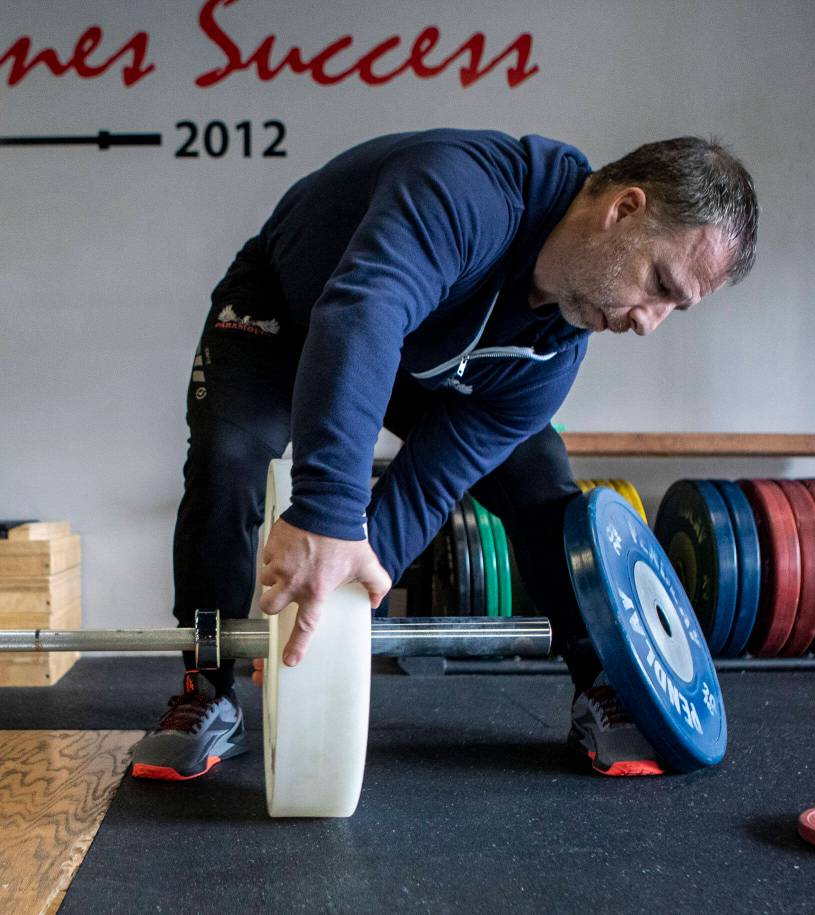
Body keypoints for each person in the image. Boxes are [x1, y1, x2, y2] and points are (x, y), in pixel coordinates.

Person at [129, 128, 758, 782]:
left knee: (541, 483)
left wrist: (334, 611)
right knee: (226, 457)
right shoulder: (468, 190)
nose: (647, 322)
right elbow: (362, 312)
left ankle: (601, 680)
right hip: (286, 311)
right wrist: (324, 513)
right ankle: (205, 686)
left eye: (673, 308)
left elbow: (429, 483)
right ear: (624, 209)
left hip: (422, 361)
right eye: (658, 282)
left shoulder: (552, 358)